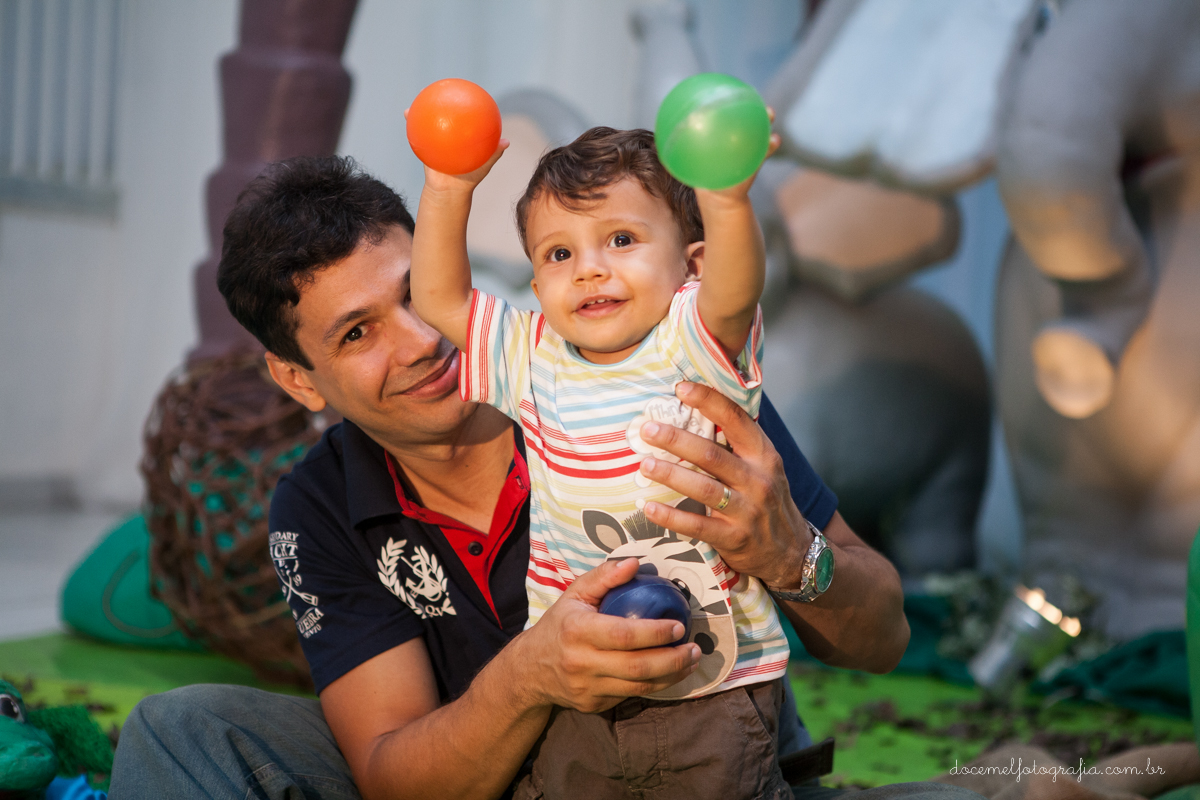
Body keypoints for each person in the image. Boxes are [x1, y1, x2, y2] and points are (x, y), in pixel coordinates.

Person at [107, 155, 980, 800]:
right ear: (300, 380)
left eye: (415, 293)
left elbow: (883, 637)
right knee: (181, 731)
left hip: (708, 772)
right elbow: (391, 772)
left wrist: (793, 554)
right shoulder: (316, 503)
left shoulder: (644, 379)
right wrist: (532, 675)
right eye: (355, 334)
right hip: (487, 772)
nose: (416, 342)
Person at [410, 125, 794, 799]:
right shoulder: (531, 356)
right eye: (559, 253)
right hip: (579, 678)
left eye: (621, 239)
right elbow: (440, 300)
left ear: (692, 264)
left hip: (714, 681)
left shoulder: (691, 339)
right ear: (535, 281)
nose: (589, 268)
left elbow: (734, 292)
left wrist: (725, 197)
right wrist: (447, 189)